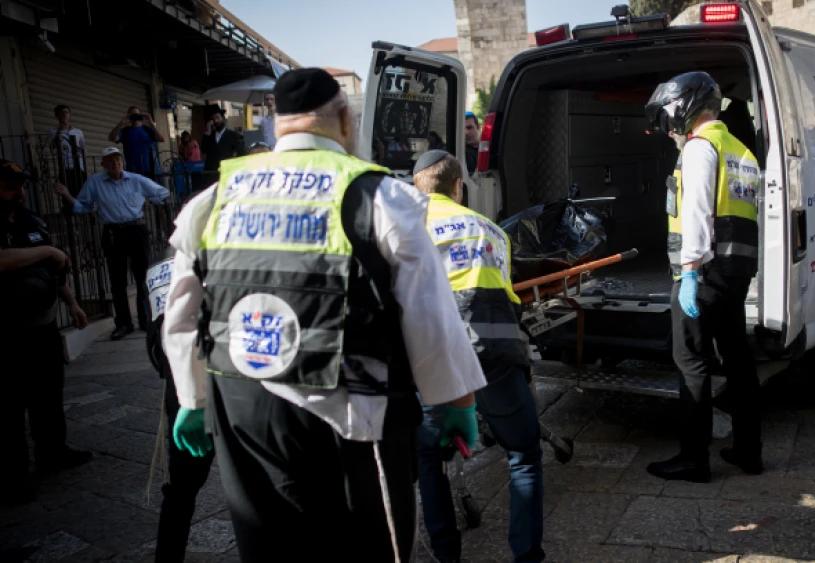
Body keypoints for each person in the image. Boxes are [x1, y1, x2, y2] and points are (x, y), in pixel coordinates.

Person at [161, 68, 487, 562]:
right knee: (369, 549)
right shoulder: (382, 197)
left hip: (245, 409)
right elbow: (430, 314)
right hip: (352, 414)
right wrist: (458, 400)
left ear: (275, 125)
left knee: (269, 548)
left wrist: (192, 396)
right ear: (345, 120)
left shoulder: (215, 198)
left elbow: (181, 311)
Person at [411, 151, 544, 563]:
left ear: (416, 188)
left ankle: (447, 554)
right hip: (494, 356)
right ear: (458, 187)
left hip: (433, 359)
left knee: (429, 458)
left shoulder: (405, 228)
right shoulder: (492, 230)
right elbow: (508, 297)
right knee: (523, 454)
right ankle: (527, 556)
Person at [643, 72, 762, 483]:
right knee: (737, 358)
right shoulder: (740, 149)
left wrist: (690, 271)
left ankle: (694, 458)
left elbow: (696, 213)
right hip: (737, 271)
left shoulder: (700, 148)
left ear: (686, 106)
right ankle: (749, 450)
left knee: (690, 360)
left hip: (704, 273)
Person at [0, 159, 91, 505]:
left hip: (43, 326)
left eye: (20, 185)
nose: (18, 192)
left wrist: (72, 304)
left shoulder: (32, 221)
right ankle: (12, 476)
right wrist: (49, 250)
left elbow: (55, 272)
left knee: (48, 395)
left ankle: (53, 451)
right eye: (9, 186)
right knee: (8, 407)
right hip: (7, 333)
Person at [143, 248, 216, 563]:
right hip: (197, 382)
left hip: (192, 382)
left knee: (182, 489)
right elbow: (164, 333)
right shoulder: (176, 263)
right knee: (183, 486)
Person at [53, 147, 170, 340]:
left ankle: (146, 318)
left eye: (118, 159)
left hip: (136, 229)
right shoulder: (95, 182)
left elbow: (163, 193)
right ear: (103, 164)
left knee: (142, 277)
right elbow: (82, 206)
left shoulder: (136, 179)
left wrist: (149, 199)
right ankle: (124, 323)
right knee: (117, 281)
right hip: (113, 232)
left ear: (122, 161)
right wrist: (67, 195)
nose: (115, 163)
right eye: (110, 160)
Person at [109, 105, 166, 177]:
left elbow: (161, 139)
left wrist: (151, 123)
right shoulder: (126, 131)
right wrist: (120, 124)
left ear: (140, 115)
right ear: (129, 117)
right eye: (132, 115)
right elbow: (112, 138)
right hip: (132, 169)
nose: (135, 117)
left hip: (150, 169)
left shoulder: (147, 129)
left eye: (136, 114)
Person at [200, 104, 245, 185]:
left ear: (223, 118)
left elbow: (242, 153)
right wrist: (207, 133)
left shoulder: (233, 135)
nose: (216, 121)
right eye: (213, 119)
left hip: (227, 174)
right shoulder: (209, 136)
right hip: (211, 176)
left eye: (217, 117)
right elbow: (203, 149)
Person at [49, 104, 87, 195]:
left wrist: (86, 169)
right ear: (57, 116)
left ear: (69, 114)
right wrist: (60, 131)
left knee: (82, 192)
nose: (64, 115)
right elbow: (52, 148)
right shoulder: (53, 132)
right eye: (61, 113)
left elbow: (83, 150)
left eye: (66, 112)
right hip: (65, 167)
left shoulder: (78, 132)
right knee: (68, 193)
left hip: (79, 167)